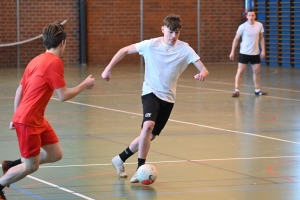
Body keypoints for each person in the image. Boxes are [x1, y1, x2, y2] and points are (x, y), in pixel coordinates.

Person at [101, 14, 209, 183]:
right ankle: (140, 169)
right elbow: (124, 50)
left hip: (169, 98)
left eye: (177, 33)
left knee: (149, 136)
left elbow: (204, 68)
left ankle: (120, 158)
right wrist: (108, 69)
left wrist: (202, 74)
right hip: (150, 92)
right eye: (171, 32)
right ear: (163, 29)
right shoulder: (151, 45)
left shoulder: (185, 49)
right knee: (148, 125)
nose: (174, 36)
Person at [0, 22, 95, 200]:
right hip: (28, 120)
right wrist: (84, 84)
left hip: (36, 118)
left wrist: (15, 115)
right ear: (63, 42)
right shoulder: (55, 63)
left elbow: (19, 91)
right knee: (31, 167)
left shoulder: (36, 59)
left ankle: (12, 164)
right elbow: (63, 96)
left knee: (55, 154)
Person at [229, 9, 267, 97]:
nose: (251, 17)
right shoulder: (242, 26)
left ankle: (257, 90)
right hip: (244, 53)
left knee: (257, 71)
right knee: (240, 71)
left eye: (253, 15)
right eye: (249, 15)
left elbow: (261, 38)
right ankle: (236, 90)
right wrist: (232, 52)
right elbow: (236, 39)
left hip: (255, 53)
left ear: (255, 16)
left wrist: (263, 50)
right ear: (246, 16)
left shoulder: (259, 25)